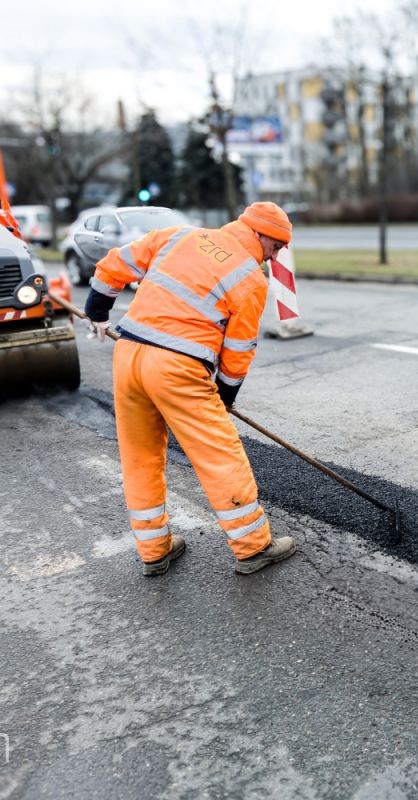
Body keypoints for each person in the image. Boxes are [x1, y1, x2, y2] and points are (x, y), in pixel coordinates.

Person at [83, 201, 298, 577]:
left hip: (129, 354)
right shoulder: (249, 279)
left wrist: (97, 312)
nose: (276, 254)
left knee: (140, 456)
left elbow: (114, 264)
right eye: (276, 246)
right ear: (258, 234)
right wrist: (224, 399)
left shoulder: (181, 236)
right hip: (177, 367)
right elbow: (237, 352)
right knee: (219, 454)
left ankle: (154, 550)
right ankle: (253, 547)